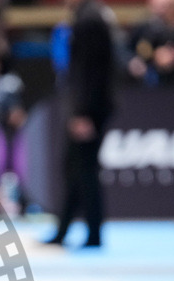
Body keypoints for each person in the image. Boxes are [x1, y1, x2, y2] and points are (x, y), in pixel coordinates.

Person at [43, 0, 116, 249]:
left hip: (89, 109)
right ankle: (64, 230)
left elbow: (91, 71)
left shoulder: (90, 20)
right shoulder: (86, 16)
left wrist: (83, 113)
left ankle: (93, 234)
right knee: (74, 169)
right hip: (86, 107)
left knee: (84, 171)